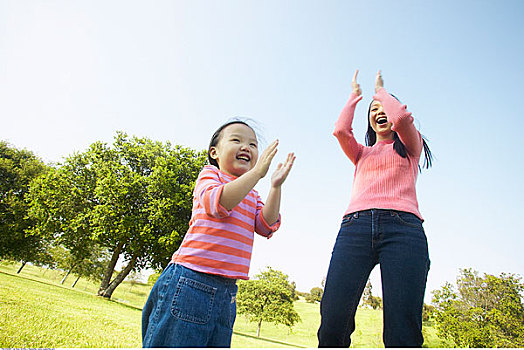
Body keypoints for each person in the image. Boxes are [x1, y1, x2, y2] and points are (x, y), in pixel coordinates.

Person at [142, 120, 295, 348]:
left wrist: (275, 186)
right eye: (236, 140)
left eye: (253, 144)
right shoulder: (210, 176)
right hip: (190, 281)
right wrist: (257, 174)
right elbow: (219, 203)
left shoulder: (252, 194)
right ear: (214, 152)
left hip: (227, 294)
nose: (246, 147)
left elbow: (266, 225)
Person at [318, 70, 433, 347]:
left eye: (383, 108)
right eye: (374, 110)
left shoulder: (410, 148)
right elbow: (340, 131)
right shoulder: (361, 154)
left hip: (403, 231)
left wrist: (380, 92)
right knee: (333, 320)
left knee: (402, 331)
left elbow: (402, 118)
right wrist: (355, 97)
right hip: (354, 229)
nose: (379, 111)